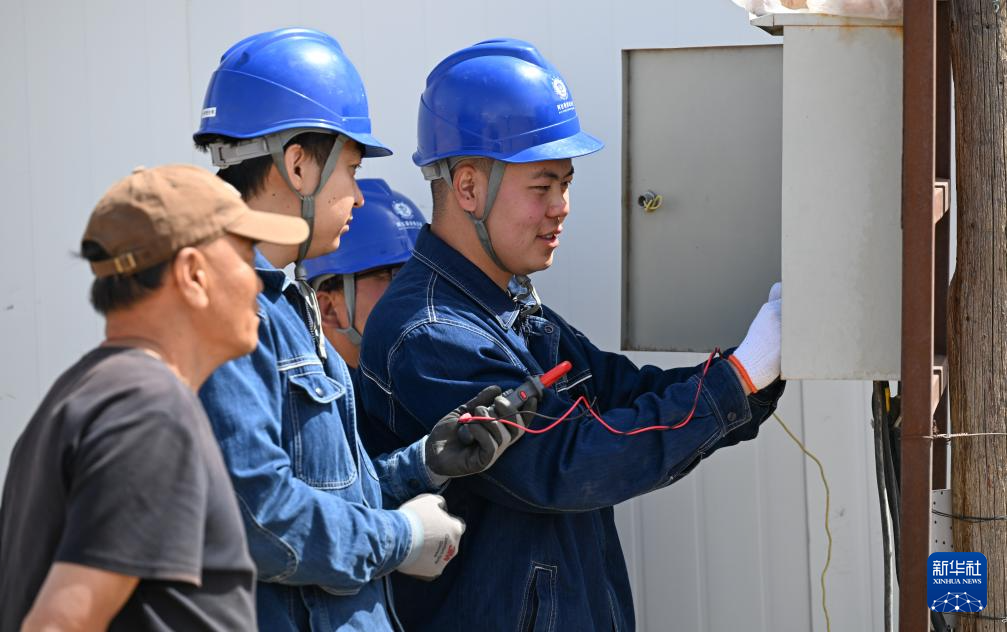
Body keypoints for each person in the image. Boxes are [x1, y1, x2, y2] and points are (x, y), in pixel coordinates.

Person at [358, 38, 787, 631]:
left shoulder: (506, 307)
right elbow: (566, 462)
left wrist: (754, 373)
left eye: (566, 183)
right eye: (542, 186)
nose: (561, 206)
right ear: (468, 188)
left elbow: (626, 394)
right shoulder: (431, 334)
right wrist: (738, 379)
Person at [193, 28, 529, 631]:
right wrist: (402, 537)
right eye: (349, 169)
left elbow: (333, 493)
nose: (356, 195)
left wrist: (428, 462)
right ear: (298, 164)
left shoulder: (285, 306)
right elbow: (260, 520)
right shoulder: (225, 312)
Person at [0, 164, 309, 631]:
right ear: (193, 274)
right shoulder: (149, 410)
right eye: (247, 255)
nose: (257, 280)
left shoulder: (88, 392)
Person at [303, 178, 425, 373]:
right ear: (328, 309)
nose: (425, 293)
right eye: (396, 276)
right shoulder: (289, 389)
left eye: (426, 275)